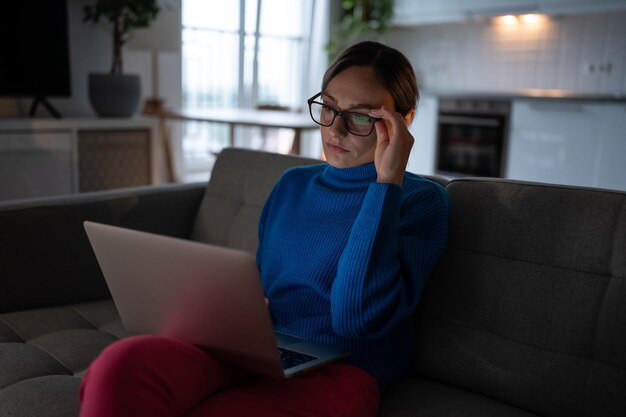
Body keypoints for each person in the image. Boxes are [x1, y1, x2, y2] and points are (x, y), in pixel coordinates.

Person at [79, 41, 450, 417]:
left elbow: (356, 318)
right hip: (256, 349)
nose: (335, 130)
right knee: (119, 365)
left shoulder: (420, 202)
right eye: (329, 108)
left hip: (343, 370)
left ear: (403, 121)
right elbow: (262, 282)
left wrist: (386, 184)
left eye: (359, 118)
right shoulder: (292, 184)